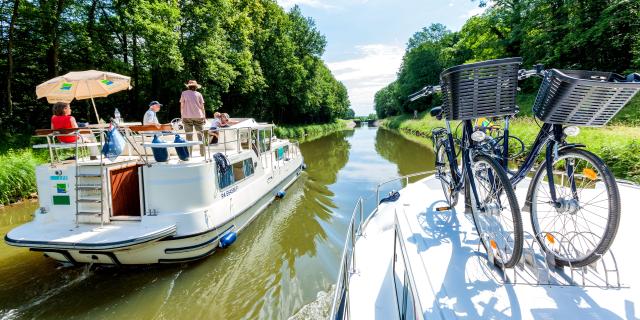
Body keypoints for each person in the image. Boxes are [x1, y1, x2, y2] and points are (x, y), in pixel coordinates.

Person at [180, 80, 206, 157]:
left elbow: (182, 105)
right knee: (201, 135)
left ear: (188, 86)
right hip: (198, 116)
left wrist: (182, 115)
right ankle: (202, 154)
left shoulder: (184, 93)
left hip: (187, 116)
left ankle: (189, 154)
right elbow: (202, 107)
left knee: (189, 136)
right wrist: (204, 116)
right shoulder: (199, 94)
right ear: (196, 87)